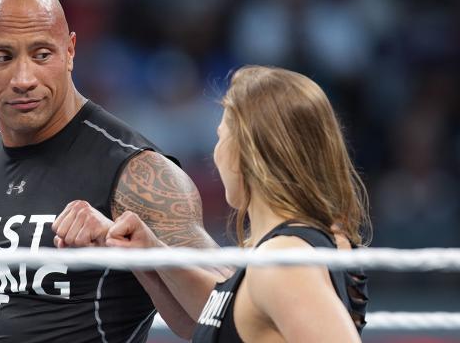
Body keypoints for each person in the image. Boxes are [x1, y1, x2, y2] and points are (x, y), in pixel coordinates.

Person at [0, 0, 223, 342]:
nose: (24, 80)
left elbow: (231, 312)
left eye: (41, 55)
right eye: (3, 57)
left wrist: (148, 251)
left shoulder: (137, 172)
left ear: (70, 51)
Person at [96, 66, 370, 342]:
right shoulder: (290, 250)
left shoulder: (282, 261)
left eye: (220, 136)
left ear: (248, 151)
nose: (215, 154)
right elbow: (217, 319)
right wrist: (150, 253)